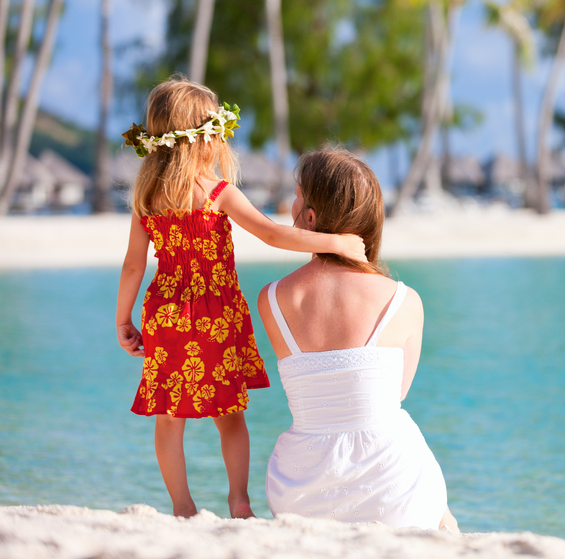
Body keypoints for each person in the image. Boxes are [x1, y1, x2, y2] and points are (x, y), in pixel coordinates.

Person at [115, 78, 366, 519]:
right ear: (204, 138)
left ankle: (182, 507)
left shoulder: (147, 199)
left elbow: (133, 265)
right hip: (217, 316)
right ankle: (239, 502)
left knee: (170, 419)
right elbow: (272, 234)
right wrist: (337, 243)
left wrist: (124, 318)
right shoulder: (218, 193)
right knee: (229, 415)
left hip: (167, 315)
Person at [257, 147, 459, 532]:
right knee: (440, 513)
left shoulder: (272, 299)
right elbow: (396, 394)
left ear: (311, 217)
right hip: (390, 484)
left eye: (296, 197)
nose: (290, 204)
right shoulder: (403, 300)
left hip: (301, 491)